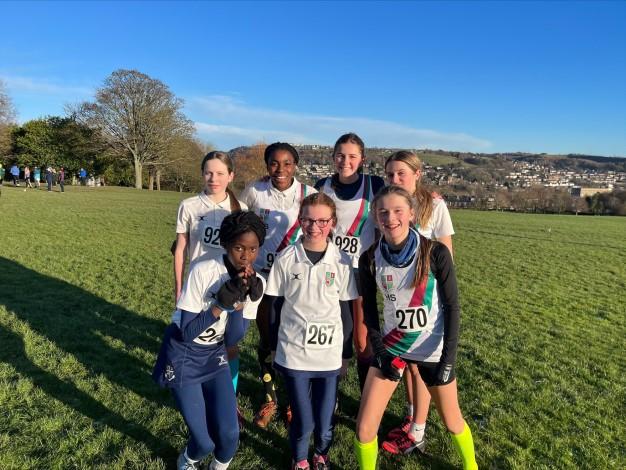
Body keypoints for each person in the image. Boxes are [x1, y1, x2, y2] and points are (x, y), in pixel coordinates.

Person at [354, 186, 477, 470]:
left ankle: (472, 466)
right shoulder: (369, 258)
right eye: (383, 212)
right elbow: (369, 310)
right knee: (364, 429)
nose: (390, 218)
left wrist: (448, 359)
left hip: (431, 350)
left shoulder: (436, 253)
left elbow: (453, 308)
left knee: (452, 422)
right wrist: (380, 350)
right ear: (375, 217)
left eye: (398, 210)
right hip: (392, 347)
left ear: (411, 213)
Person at [153, 211, 267, 470]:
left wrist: (239, 303)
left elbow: (233, 338)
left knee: (230, 435)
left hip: (214, 354)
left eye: (253, 249)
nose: (246, 256)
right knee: (203, 443)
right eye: (239, 248)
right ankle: (187, 460)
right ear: (225, 244)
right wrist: (219, 306)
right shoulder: (203, 270)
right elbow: (187, 332)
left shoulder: (254, 282)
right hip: (183, 353)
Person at [267, 193, 358, 470]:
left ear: (333, 222)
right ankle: (300, 459)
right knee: (304, 419)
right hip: (294, 352)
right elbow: (274, 306)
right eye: (308, 220)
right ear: (300, 220)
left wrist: (345, 354)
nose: (314, 226)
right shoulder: (286, 258)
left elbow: (346, 311)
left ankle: (321, 455)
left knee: (325, 416)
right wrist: (272, 346)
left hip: (329, 355)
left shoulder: (342, 261)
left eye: (322, 221)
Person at [381, 150, 455, 454]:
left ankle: (418, 430)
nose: (395, 178)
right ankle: (411, 417)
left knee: (421, 365)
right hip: (399, 302)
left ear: (417, 174)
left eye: (402, 173)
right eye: (390, 174)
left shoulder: (435, 205)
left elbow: (447, 255)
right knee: (409, 365)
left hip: (427, 302)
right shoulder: (388, 203)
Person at [238, 142, 317, 428]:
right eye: (274, 163)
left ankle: (296, 401)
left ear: (295, 165)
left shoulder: (309, 193)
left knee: (296, 340)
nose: (280, 169)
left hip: (296, 278)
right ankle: (270, 398)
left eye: (287, 163)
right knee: (268, 340)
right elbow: (238, 221)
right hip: (262, 276)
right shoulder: (255, 190)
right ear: (266, 165)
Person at [173, 151, 248, 402]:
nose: (213, 178)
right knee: (195, 339)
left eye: (219, 173)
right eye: (208, 173)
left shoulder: (240, 209)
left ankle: (229, 398)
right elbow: (181, 249)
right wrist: (178, 287)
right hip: (198, 289)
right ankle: (197, 390)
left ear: (230, 176)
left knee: (229, 344)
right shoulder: (189, 205)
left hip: (230, 287)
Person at [315, 133, 385, 392]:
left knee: (362, 340)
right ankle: (329, 390)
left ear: (362, 159)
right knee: (331, 332)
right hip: (329, 269)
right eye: (340, 155)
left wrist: (430, 195)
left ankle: (366, 399)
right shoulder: (322, 185)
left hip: (361, 271)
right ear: (333, 157)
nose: (346, 161)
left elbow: (403, 194)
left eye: (352, 156)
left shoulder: (375, 184)